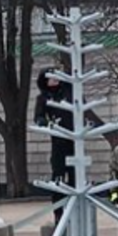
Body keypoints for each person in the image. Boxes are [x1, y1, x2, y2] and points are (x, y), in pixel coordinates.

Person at [34, 68, 75, 223]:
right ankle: (58, 211)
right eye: (51, 78)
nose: (55, 80)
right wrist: (43, 122)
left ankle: (74, 207)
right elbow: (38, 116)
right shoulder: (44, 98)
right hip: (58, 139)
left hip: (74, 139)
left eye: (56, 77)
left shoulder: (69, 93)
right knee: (58, 174)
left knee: (74, 175)